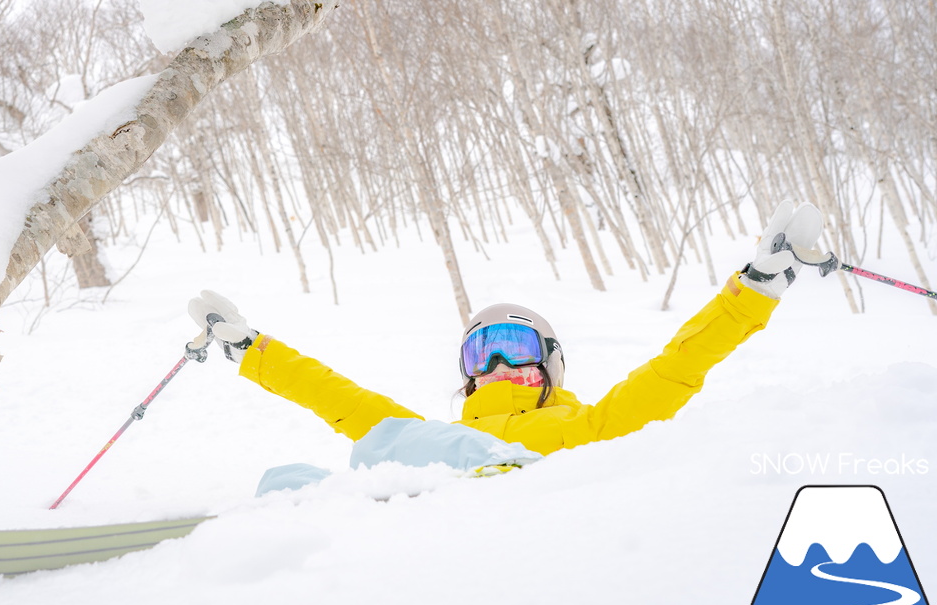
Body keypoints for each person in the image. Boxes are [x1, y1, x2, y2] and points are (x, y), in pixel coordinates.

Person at [188, 200, 824, 458]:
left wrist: (755, 286)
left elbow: (678, 366)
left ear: (549, 363)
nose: (496, 366)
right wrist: (251, 349)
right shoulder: (432, 440)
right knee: (306, 476)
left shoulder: (597, 429)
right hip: (445, 504)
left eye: (513, 348)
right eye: (481, 352)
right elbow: (337, 397)